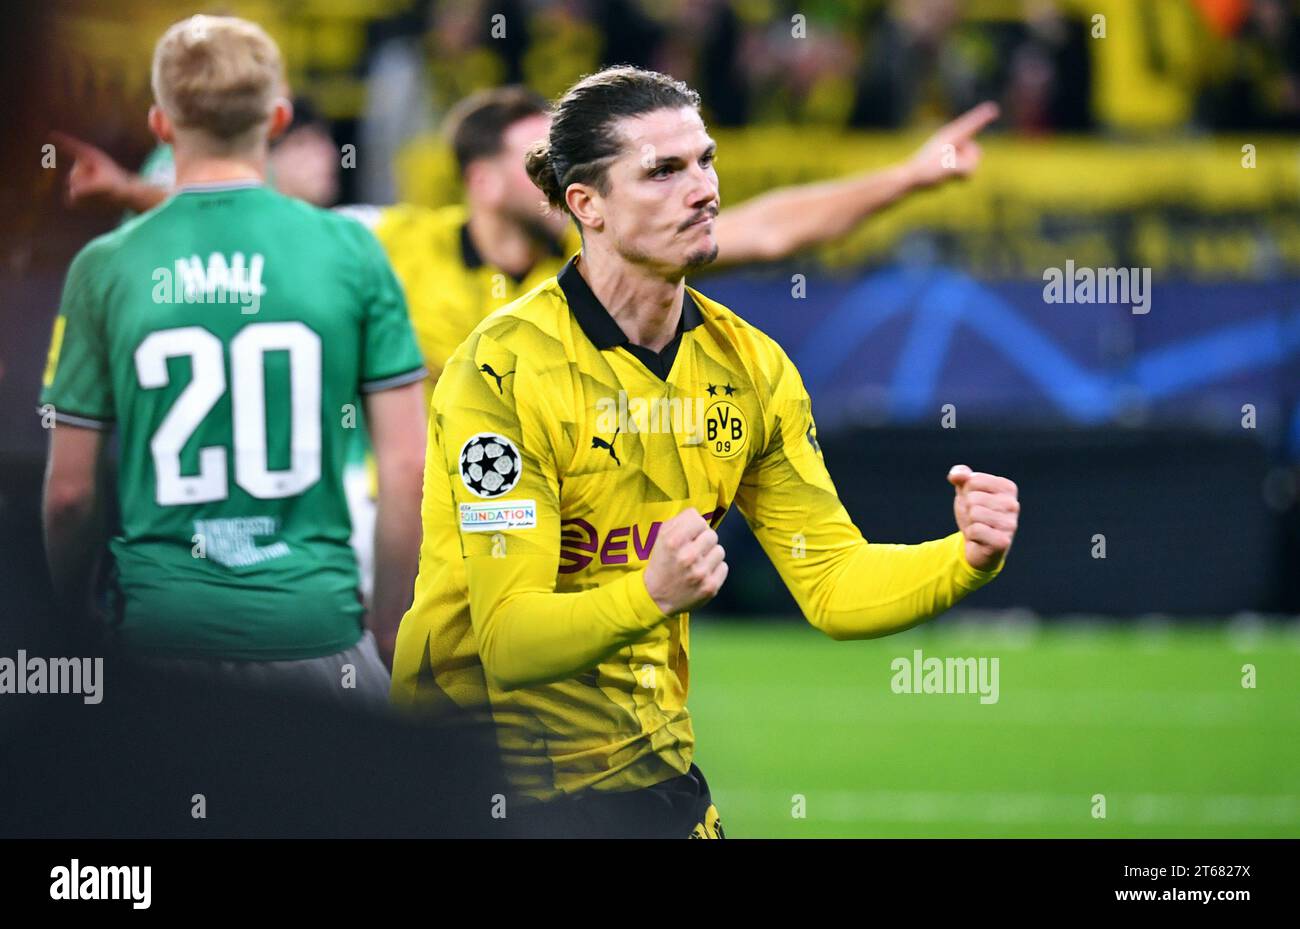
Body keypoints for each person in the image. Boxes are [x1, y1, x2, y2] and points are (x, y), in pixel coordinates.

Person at [388, 65, 1020, 836]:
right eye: (663, 171)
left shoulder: (751, 367)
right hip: (476, 778)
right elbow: (510, 640)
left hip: (646, 767)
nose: (704, 189)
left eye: (706, 160)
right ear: (586, 204)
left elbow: (834, 582)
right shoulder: (503, 368)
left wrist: (963, 557)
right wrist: (649, 594)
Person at [54, 87, 999, 398]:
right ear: (475, 179)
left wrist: (908, 177)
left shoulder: (604, 250)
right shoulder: (386, 242)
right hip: (412, 554)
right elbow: (255, 220)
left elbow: (772, 225)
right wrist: (134, 191)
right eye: (535, 157)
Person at [40, 15, 427, 700]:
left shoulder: (104, 266)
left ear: (161, 124)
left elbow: (70, 495)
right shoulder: (350, 251)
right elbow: (407, 464)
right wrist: (392, 624)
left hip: (159, 639)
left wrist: (72, 624)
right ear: (277, 118)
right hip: (318, 631)